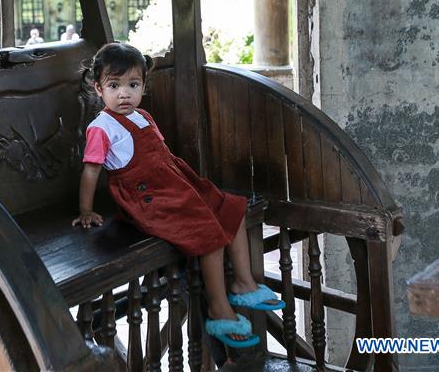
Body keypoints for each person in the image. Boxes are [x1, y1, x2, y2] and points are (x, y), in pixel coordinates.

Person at [72, 42, 284, 348]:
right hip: (147, 199)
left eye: (133, 85)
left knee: (231, 209)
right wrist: (86, 209)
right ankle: (219, 309)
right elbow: (91, 171)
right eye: (114, 86)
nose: (124, 94)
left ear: (143, 85)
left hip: (173, 184)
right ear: (98, 88)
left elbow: (161, 157)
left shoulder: (143, 116)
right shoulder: (102, 127)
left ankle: (244, 283)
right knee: (209, 234)